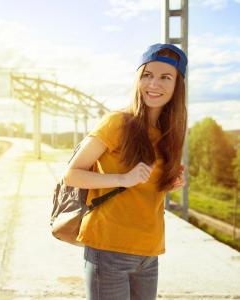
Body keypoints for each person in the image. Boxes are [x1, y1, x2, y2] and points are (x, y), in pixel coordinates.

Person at [63, 43, 188, 300]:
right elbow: (72, 174)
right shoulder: (117, 123)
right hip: (108, 248)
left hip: (149, 252)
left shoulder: (169, 134)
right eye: (148, 75)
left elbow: (147, 189)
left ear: (177, 86)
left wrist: (169, 182)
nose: (154, 84)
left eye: (166, 77)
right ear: (138, 79)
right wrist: (123, 179)